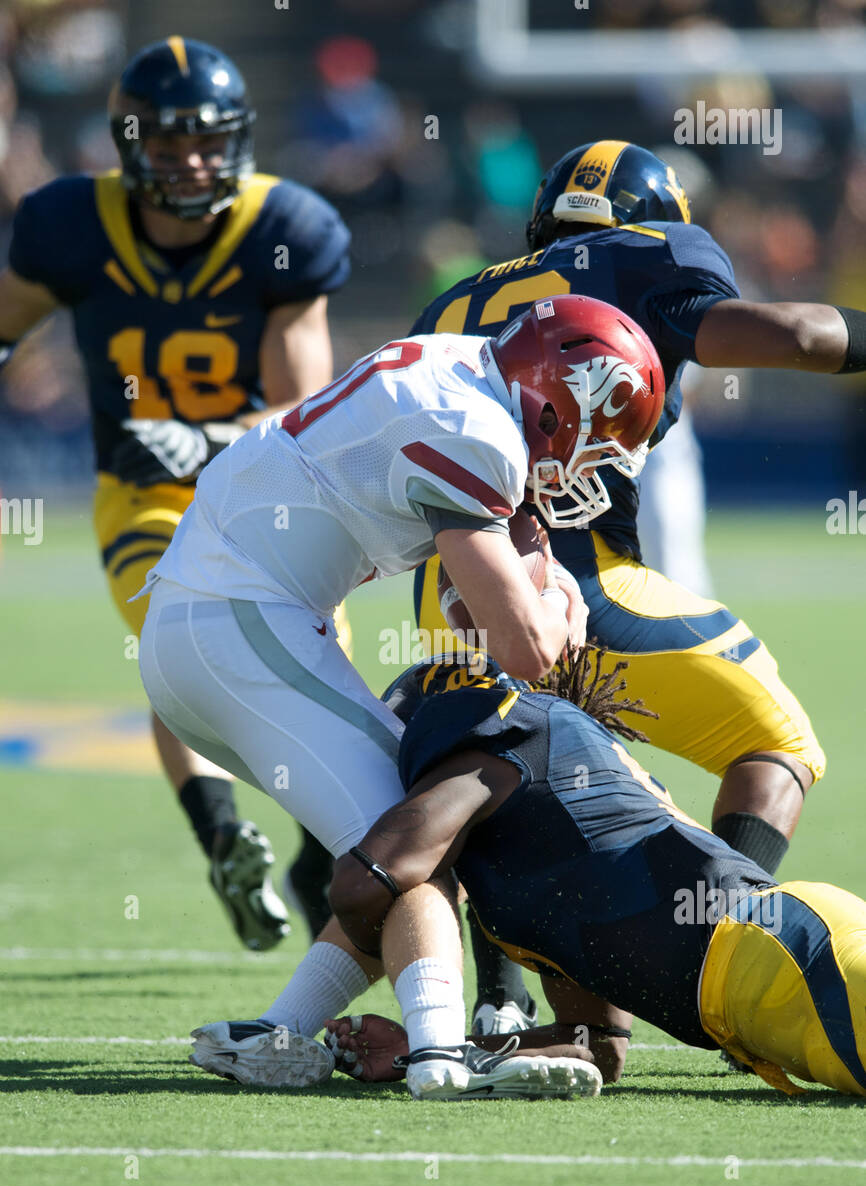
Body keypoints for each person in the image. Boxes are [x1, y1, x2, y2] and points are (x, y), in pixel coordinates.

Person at [142, 295, 663, 1098]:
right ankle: (440, 1059)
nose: (595, 462)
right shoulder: (476, 432)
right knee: (414, 841)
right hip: (238, 622)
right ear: (559, 400)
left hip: (215, 621)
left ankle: (280, 1032)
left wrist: (530, 565)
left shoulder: (461, 373)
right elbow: (521, 648)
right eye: (601, 433)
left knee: (401, 837)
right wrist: (564, 604)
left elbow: (466, 604)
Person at [405, 139, 866, 1033]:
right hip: (568, 585)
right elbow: (799, 336)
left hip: (449, 597)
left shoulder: (452, 300)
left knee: (504, 786)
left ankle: (513, 1004)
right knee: (776, 742)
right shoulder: (647, 253)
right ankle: (720, 945)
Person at [0, 36, 352, 950]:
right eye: (164, 140)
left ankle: (323, 861)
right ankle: (224, 833)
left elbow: (302, 415)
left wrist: (202, 438)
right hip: (142, 494)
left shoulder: (284, 231)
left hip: (275, 495)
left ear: (237, 139)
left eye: (205, 138)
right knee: (179, 647)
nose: (189, 158)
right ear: (128, 144)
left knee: (320, 680)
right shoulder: (73, 224)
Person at [321, 650, 866, 1102]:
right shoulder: (537, 831)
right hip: (765, 995)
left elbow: (365, 884)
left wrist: (398, 970)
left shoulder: (496, 754)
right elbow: (596, 1045)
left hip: (779, 953)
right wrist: (433, 1049)